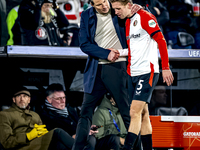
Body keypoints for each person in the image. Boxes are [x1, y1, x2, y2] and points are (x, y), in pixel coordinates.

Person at [71, 0, 142, 149]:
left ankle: (138, 147)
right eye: (98, 4)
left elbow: (138, 17)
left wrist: (139, 8)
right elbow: (84, 44)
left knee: (126, 112)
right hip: (95, 68)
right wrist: (105, 54)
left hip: (117, 67)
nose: (104, 6)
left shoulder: (117, 9)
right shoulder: (86, 15)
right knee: (85, 112)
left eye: (105, 1)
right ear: (91, 5)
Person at [109, 0, 174, 149]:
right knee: (143, 114)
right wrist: (120, 52)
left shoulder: (145, 16)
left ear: (129, 5)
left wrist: (165, 67)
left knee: (134, 112)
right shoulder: (127, 23)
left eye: (118, 9)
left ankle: (128, 147)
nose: (116, 12)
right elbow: (133, 49)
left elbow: (161, 41)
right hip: (133, 73)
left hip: (147, 72)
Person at [0, 86, 75, 150]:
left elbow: (42, 131)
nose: (22, 99)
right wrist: (28, 136)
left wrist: (44, 133)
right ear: (14, 99)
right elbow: (6, 142)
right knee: (58, 132)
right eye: (19, 96)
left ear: (29, 100)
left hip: (39, 144)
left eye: (25, 96)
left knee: (61, 146)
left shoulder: (35, 115)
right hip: (23, 146)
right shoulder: (5, 114)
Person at [38, 83, 97, 150]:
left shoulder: (70, 110)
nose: (63, 101)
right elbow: (54, 134)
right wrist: (73, 136)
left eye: (64, 97)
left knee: (91, 138)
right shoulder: (44, 115)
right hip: (61, 144)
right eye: (59, 98)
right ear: (49, 99)